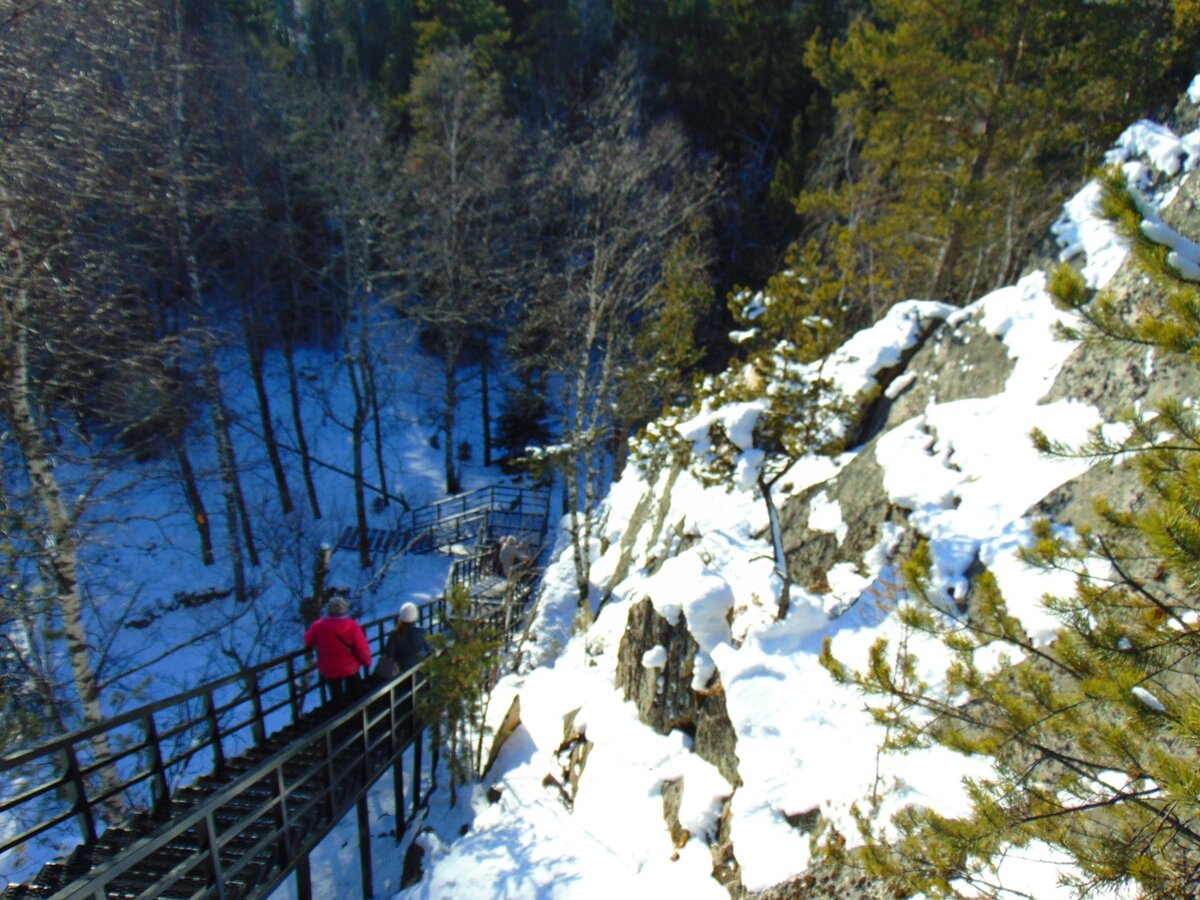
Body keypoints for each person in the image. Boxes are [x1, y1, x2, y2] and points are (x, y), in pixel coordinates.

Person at [304, 596, 372, 707]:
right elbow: (361, 647)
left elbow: (309, 640)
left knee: (337, 696)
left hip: (329, 667)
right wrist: (367, 661)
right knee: (358, 693)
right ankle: (360, 713)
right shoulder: (352, 626)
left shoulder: (318, 626)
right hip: (349, 666)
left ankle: (340, 714)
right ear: (344, 609)